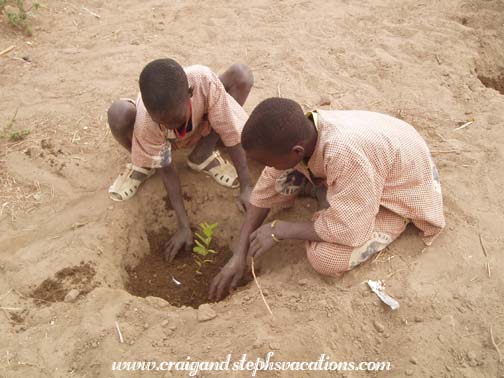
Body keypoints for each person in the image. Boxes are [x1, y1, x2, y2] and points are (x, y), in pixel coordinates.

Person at [209, 97, 445, 300]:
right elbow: (264, 193)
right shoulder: (305, 132)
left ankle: (396, 219)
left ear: (297, 152)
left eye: (269, 162)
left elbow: (350, 230)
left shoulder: (343, 155)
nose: (267, 168)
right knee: (281, 180)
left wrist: (280, 229)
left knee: (325, 259)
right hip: (387, 148)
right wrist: (239, 255)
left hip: (407, 185)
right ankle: (323, 191)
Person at [107, 58, 254, 261]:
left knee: (241, 75)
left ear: (190, 93)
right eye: (162, 122)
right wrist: (183, 226)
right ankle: (144, 162)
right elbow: (167, 170)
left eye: (174, 120)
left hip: (198, 127)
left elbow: (230, 132)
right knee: (118, 113)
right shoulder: (148, 121)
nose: (168, 126)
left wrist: (246, 185)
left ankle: (202, 154)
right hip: (159, 143)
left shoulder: (204, 82)